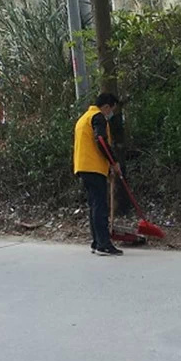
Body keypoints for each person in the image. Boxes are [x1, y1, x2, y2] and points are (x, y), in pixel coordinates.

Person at [72, 93, 123, 256]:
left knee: (94, 205)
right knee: (100, 206)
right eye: (112, 109)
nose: (111, 113)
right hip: (93, 167)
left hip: (83, 167)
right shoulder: (98, 117)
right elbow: (101, 140)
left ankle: (96, 242)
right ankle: (103, 244)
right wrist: (113, 162)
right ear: (106, 106)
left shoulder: (84, 118)